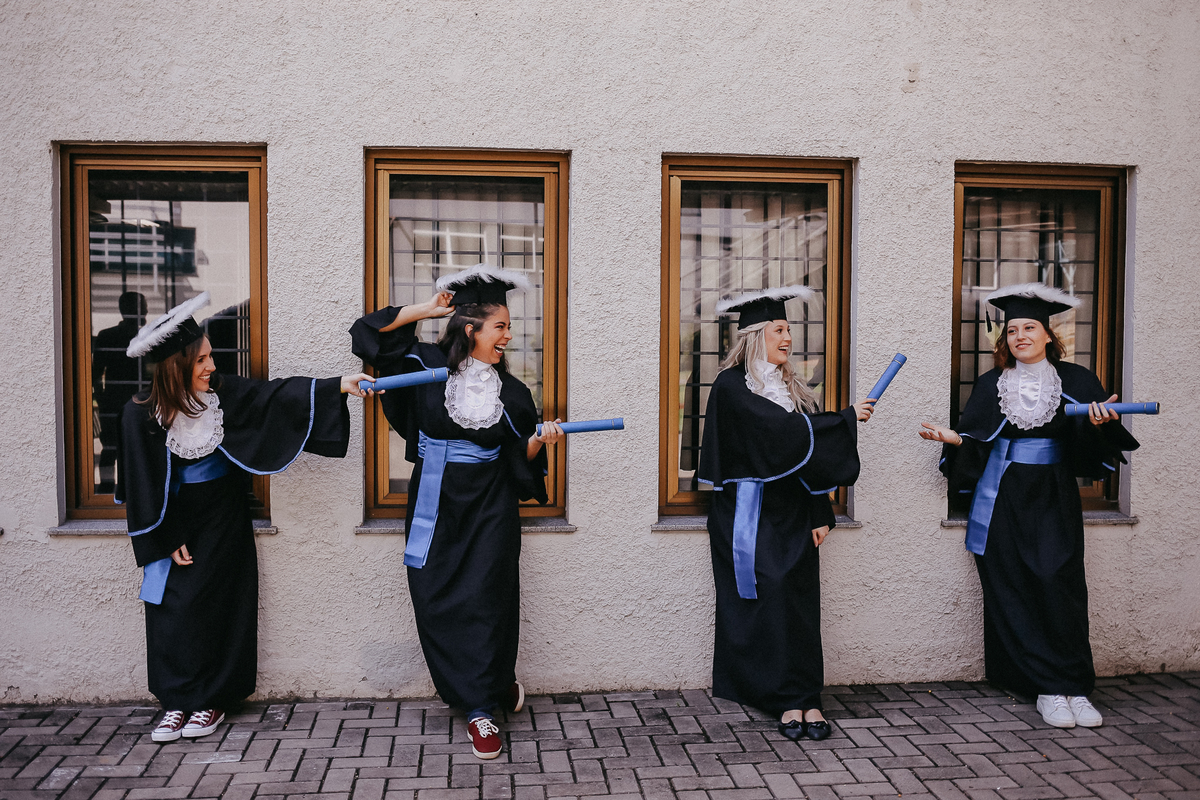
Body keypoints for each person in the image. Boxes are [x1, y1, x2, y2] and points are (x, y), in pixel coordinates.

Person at [116, 292, 374, 743]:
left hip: (223, 515)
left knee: (221, 604)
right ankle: (177, 701)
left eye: (211, 357)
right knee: (172, 610)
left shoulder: (222, 397)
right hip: (173, 519)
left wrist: (336, 385)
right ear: (176, 365)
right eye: (201, 360)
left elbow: (274, 395)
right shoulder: (140, 415)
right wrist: (164, 534)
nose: (211, 366)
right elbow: (139, 482)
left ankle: (213, 699)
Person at [349, 264, 563, 760]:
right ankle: (483, 686)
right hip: (434, 501)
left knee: (488, 599)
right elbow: (368, 335)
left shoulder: (512, 393)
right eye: (501, 326)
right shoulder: (424, 368)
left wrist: (537, 443)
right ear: (471, 329)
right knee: (438, 597)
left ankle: (481, 706)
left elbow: (516, 458)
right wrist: (427, 309)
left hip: (490, 506)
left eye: (509, 327)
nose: (509, 335)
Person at [920, 283, 1138, 729]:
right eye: (1012, 330)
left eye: (1029, 328)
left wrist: (1101, 423)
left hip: (1054, 493)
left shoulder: (1076, 380)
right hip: (1003, 496)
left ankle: (1073, 685)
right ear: (1006, 340)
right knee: (1013, 584)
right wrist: (953, 440)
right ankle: (1044, 688)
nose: (1020, 336)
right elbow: (979, 441)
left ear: (1047, 335)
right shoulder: (991, 384)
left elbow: (1090, 452)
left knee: (1060, 584)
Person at [697, 286, 875, 743]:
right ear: (756, 336)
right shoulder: (733, 387)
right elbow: (779, 434)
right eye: (779, 329)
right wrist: (846, 419)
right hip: (748, 512)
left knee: (799, 602)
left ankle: (806, 696)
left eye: (790, 329)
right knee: (766, 599)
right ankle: (779, 697)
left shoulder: (791, 388)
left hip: (794, 507)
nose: (788, 337)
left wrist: (821, 512)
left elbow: (806, 459)